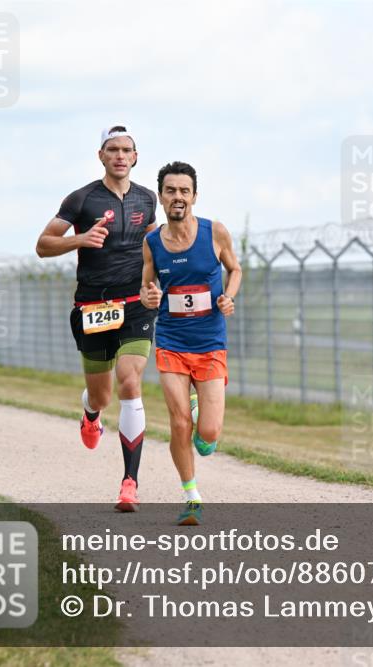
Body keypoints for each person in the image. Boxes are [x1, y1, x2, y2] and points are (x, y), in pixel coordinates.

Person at [35, 125, 158, 512]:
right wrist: (80, 239)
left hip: (136, 306)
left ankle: (129, 483)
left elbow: (155, 248)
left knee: (130, 380)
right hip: (93, 308)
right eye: (112, 149)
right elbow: (42, 245)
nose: (120, 155)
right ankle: (91, 413)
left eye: (127, 149)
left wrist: (157, 286)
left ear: (135, 157)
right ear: (101, 156)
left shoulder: (147, 198)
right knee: (103, 394)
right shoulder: (81, 199)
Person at [140, 161, 242, 526]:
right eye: (171, 191)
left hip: (210, 341)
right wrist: (149, 298)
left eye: (184, 191)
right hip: (170, 340)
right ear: (161, 198)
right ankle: (191, 496)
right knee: (179, 423)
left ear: (194, 196)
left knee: (208, 435)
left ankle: (203, 415)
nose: (178, 197)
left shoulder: (215, 233)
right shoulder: (152, 243)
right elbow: (147, 287)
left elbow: (236, 269)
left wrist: (229, 296)